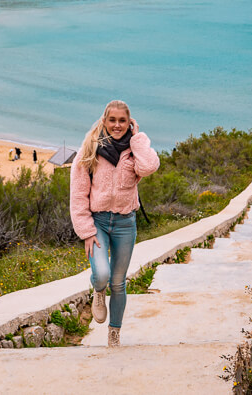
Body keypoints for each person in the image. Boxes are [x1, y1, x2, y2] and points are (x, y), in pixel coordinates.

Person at [70, 100, 159, 348]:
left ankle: (114, 332)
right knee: (102, 275)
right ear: (104, 121)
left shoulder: (134, 150)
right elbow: (78, 195)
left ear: (129, 122)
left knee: (118, 283)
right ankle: (98, 291)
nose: (117, 125)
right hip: (98, 222)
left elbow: (150, 166)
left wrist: (137, 138)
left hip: (125, 223)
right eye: (112, 120)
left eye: (122, 121)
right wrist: (86, 231)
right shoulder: (89, 149)